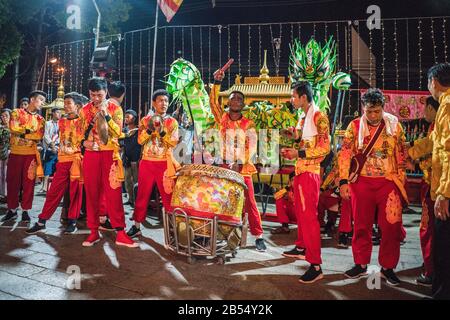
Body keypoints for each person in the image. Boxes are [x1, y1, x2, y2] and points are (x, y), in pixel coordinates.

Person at [339, 88, 408, 286]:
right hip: (362, 183)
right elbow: (345, 154)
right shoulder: (354, 126)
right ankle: (360, 264)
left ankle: (388, 267)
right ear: (363, 108)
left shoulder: (394, 125)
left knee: (391, 227)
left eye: (376, 111)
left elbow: (401, 152)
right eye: (369, 111)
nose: (372, 115)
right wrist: (344, 181)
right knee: (361, 224)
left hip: (388, 181)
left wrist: (400, 179)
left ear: (383, 108)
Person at [209, 68, 267, 252]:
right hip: (224, 165)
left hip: (243, 169)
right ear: (228, 102)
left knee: (250, 202)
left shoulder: (248, 123)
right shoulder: (222, 118)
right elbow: (212, 102)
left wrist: (240, 162)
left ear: (243, 104)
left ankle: (258, 236)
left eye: (239, 99)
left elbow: (251, 146)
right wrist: (217, 82)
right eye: (233, 98)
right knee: (221, 200)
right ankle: (218, 233)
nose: (235, 101)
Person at [280, 81, 331, 283]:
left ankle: (316, 265)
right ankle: (301, 246)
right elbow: (302, 137)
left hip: (310, 172)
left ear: (303, 97)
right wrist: (291, 134)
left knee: (309, 216)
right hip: (301, 169)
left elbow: (325, 147)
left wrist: (297, 152)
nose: (291, 100)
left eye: (294, 96)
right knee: (302, 213)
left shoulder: (320, 116)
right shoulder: (304, 116)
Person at [79, 77, 137, 248]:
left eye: (99, 94)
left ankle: (120, 232)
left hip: (110, 155)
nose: (95, 98)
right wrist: (84, 143)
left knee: (113, 192)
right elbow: (78, 133)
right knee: (91, 193)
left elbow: (119, 132)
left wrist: (106, 116)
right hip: (91, 155)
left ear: (106, 93)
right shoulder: (84, 110)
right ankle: (93, 232)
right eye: (92, 95)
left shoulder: (115, 108)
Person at [26, 93, 84, 234]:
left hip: (76, 160)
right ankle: (42, 221)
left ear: (77, 106)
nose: (65, 106)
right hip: (62, 160)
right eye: (65, 103)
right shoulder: (62, 122)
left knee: (75, 192)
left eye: (68, 103)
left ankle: (72, 221)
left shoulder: (83, 121)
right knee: (53, 192)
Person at [127, 89, 179, 238]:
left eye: (166, 101)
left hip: (165, 163)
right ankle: (136, 226)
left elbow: (173, 143)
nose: (164, 103)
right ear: (154, 103)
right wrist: (150, 130)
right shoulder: (145, 120)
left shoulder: (172, 122)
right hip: (147, 163)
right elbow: (140, 140)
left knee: (168, 196)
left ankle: (172, 229)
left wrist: (161, 132)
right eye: (161, 100)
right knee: (142, 195)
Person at [406, 96, 439, 286]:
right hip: (434, 183)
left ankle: (431, 271)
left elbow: (430, 148)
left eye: (425, 108)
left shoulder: (438, 125)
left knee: (428, 229)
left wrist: (410, 151)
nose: (423, 113)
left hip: (434, 184)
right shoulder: (434, 126)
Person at [1, 91, 46, 222]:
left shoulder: (40, 119)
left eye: (43, 101)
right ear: (32, 99)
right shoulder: (16, 112)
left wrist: (22, 132)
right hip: (15, 152)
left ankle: (26, 210)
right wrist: (29, 131)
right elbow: (13, 128)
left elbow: (39, 136)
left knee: (28, 184)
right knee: (12, 182)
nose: (42, 103)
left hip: (30, 155)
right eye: (41, 100)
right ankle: (12, 209)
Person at [427, 62, 450, 299]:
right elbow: (433, 141)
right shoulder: (444, 106)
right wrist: (410, 150)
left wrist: (444, 193)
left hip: (447, 193)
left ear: (434, 82)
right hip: (443, 189)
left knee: (444, 249)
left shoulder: (448, 106)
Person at [40, 107, 61, 192]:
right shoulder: (48, 123)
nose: (59, 114)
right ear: (53, 113)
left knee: (57, 168)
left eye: (60, 113)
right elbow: (46, 136)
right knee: (47, 167)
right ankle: (44, 187)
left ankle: (55, 188)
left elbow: (61, 135)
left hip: (59, 147)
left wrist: (57, 146)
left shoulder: (61, 123)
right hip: (49, 148)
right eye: (57, 112)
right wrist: (52, 145)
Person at [122, 109, 140, 208]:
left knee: (136, 182)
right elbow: (121, 143)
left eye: (128, 117)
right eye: (125, 117)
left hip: (136, 159)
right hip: (127, 159)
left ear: (134, 118)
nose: (126, 119)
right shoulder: (124, 130)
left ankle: (138, 201)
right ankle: (130, 199)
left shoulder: (139, 130)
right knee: (127, 180)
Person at [0, 108, 11, 203]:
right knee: (1, 173)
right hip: (1, 151)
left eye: (6, 116)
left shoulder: (13, 128)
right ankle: (2, 193)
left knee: (8, 174)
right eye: (2, 116)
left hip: (10, 152)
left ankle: (8, 194)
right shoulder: (1, 128)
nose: (4, 118)